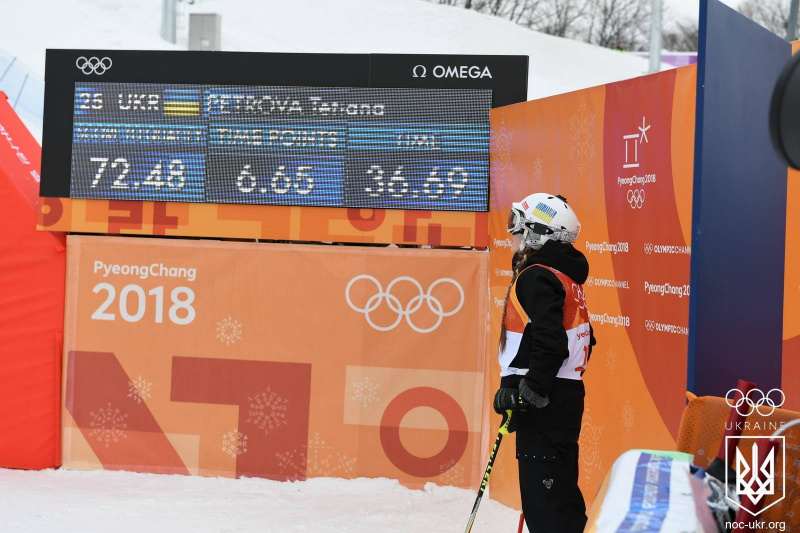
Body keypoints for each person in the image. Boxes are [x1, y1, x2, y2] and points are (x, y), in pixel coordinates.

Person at [493, 193, 596, 533]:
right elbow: (579, 339)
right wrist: (516, 387)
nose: (513, 235)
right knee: (556, 498)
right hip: (562, 398)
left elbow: (551, 343)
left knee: (549, 509)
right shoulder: (562, 276)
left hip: (548, 402)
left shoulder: (537, 275)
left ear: (538, 232)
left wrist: (530, 391)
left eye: (518, 227)